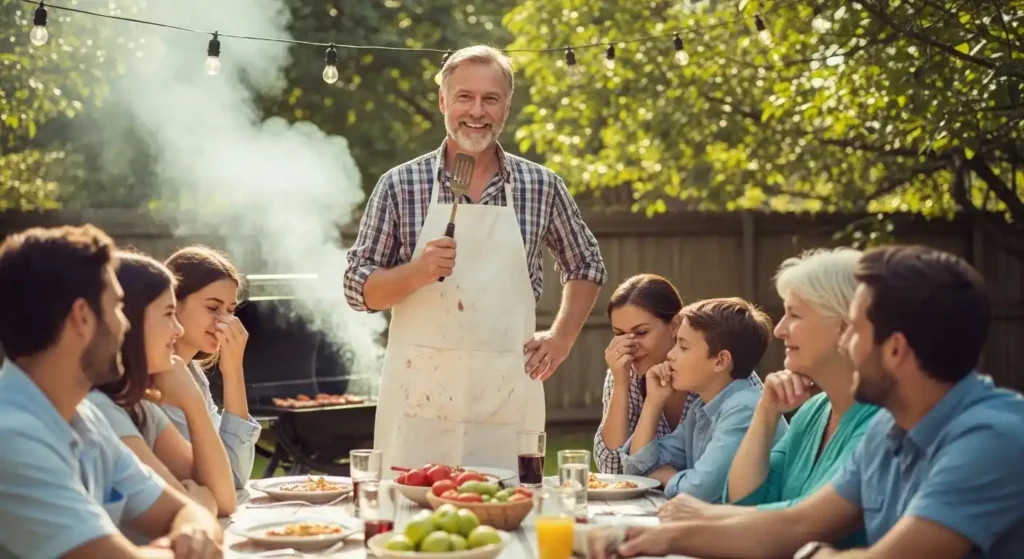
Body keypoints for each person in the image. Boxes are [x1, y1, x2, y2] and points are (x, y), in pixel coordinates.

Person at [583, 245, 1024, 559]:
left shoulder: (990, 438)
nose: (778, 332)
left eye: (853, 331)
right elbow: (795, 523)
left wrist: (811, 552)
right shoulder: (894, 431)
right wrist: (648, 537)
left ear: (895, 350)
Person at [343, 45, 607, 473]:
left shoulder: (541, 186)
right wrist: (416, 272)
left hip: (505, 393)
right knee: (411, 523)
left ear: (507, 106)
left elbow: (587, 265)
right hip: (420, 396)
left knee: (509, 515)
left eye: (491, 98)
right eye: (465, 96)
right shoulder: (399, 185)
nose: (477, 111)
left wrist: (560, 338)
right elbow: (358, 290)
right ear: (443, 101)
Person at [0, 224, 222, 558]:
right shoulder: (13, 437)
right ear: (82, 317)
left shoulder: (85, 419)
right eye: (118, 307)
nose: (125, 324)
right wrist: (186, 545)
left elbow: (188, 513)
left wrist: (193, 528)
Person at [658, 248, 880, 550]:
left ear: (844, 326)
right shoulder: (813, 412)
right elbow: (744, 500)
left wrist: (705, 515)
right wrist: (766, 412)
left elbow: (805, 525)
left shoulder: (882, 423)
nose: (779, 330)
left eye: (795, 314)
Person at [88, 251, 237, 517]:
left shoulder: (140, 407)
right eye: (168, 313)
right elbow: (185, 512)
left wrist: (194, 404)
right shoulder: (102, 407)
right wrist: (204, 502)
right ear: (129, 319)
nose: (177, 329)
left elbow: (225, 500)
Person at [620, 297, 787, 501]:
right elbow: (638, 468)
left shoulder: (744, 409)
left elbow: (700, 491)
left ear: (720, 361)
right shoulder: (702, 408)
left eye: (683, 346)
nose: (670, 355)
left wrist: (668, 477)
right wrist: (654, 402)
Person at [594, 274, 763, 474]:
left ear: (675, 326)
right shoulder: (623, 372)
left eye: (641, 333)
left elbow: (712, 480)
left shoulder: (724, 379)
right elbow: (614, 470)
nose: (629, 346)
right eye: (620, 334)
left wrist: (665, 476)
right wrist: (621, 384)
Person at [162, 246, 261, 489]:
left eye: (230, 310)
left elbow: (235, 474)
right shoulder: (155, 379)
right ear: (173, 303)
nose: (225, 321)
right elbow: (227, 480)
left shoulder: (194, 376)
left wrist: (233, 372)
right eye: (212, 308)